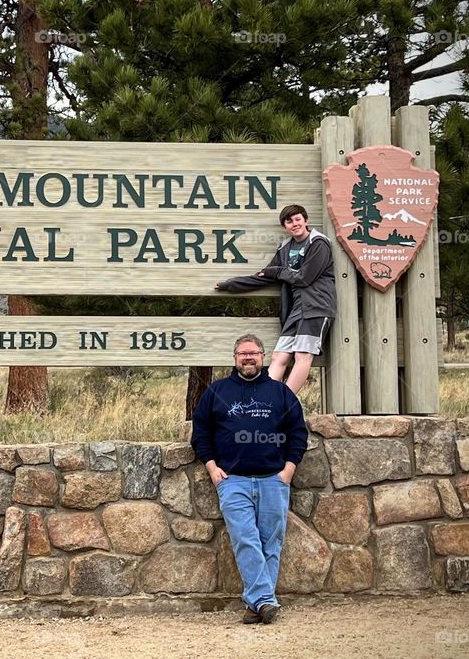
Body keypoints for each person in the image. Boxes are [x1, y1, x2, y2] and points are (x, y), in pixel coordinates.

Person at [191, 334, 307, 625]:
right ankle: (266, 600)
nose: (248, 358)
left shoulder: (280, 393)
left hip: (273, 480)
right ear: (234, 358)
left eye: (253, 353)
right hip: (233, 481)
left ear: (263, 357)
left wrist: (288, 471)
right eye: (242, 354)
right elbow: (200, 433)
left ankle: (257, 604)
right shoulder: (217, 391)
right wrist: (213, 469)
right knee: (246, 539)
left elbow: (298, 434)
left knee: (271, 543)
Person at [214, 204, 336, 394]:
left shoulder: (319, 243)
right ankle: (265, 399)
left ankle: (284, 401)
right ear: (285, 226)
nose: (294, 224)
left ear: (306, 220)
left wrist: (277, 271)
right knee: (279, 355)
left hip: (316, 306)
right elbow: (265, 276)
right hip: (295, 311)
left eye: (297, 219)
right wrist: (230, 284)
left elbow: (304, 277)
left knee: (303, 355)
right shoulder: (285, 248)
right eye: (289, 221)